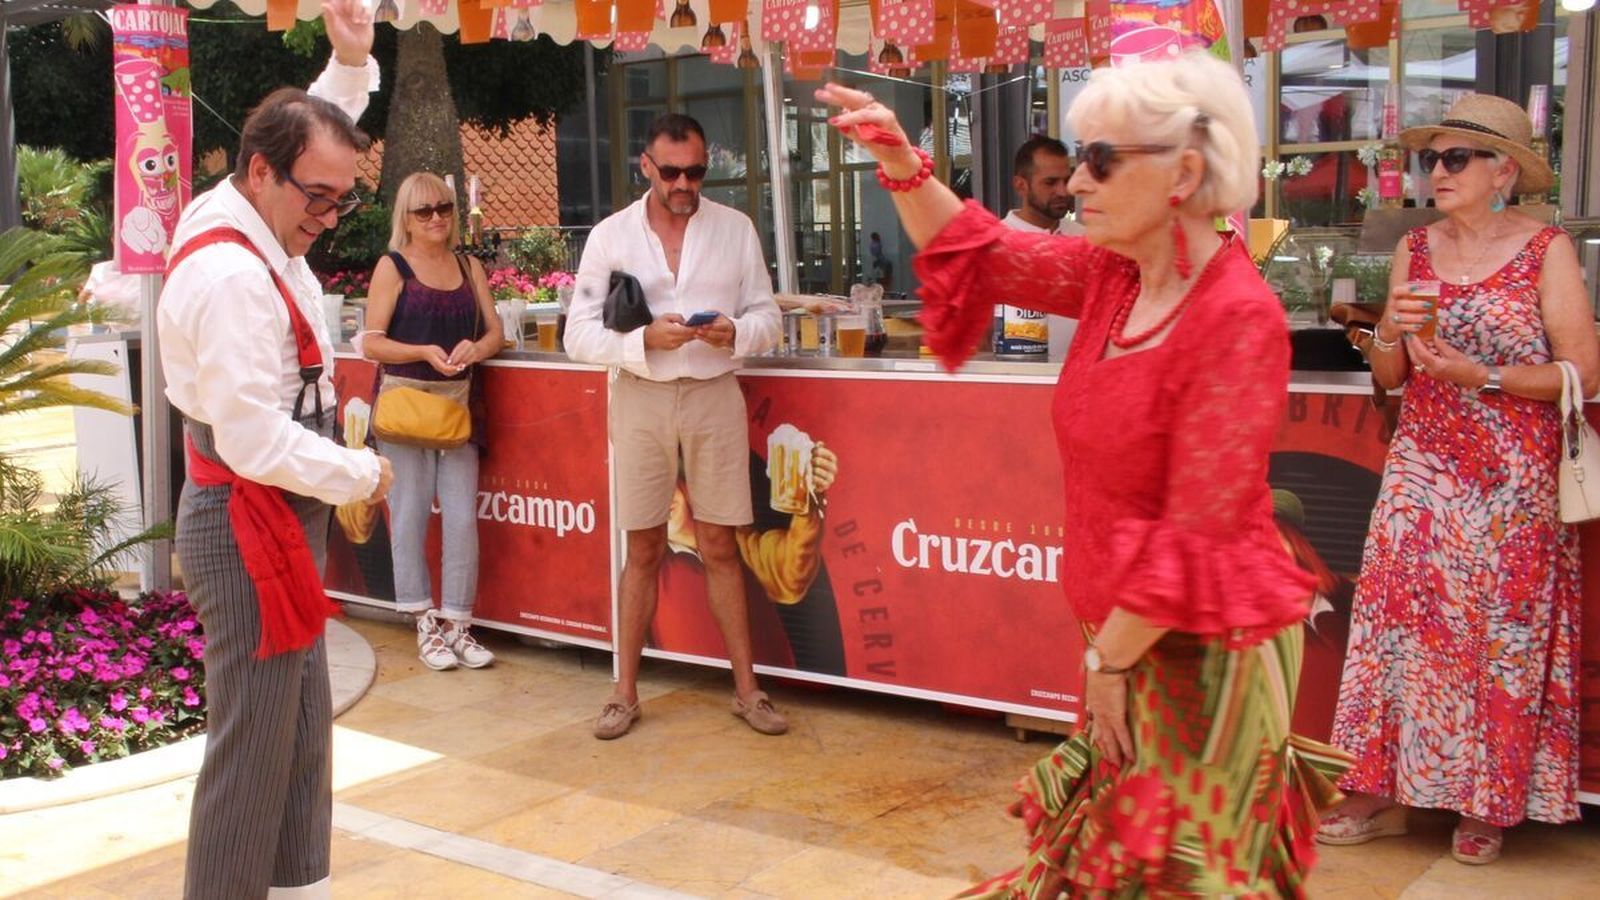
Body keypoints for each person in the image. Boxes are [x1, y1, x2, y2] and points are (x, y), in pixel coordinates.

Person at [818, 51, 1349, 896]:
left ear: (1182, 171)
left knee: (1173, 880)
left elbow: (1192, 535)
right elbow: (978, 250)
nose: (1075, 184)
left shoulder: (1235, 317)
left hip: (1202, 656)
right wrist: (898, 160)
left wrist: (1110, 665)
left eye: (1102, 161)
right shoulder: (1117, 273)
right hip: (1125, 636)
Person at [1320, 93, 1599, 865]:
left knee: (1499, 635)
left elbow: (1582, 368)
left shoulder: (1546, 249)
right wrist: (1387, 330)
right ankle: (1378, 785)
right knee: (1392, 623)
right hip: (1424, 460)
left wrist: (1488, 377)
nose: (1435, 173)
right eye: (1429, 159)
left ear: (1502, 169)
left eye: (1454, 159)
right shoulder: (1417, 245)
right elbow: (1392, 371)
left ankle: (1489, 802)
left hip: (1512, 468)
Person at [155, 2, 390, 896]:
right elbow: (254, 439)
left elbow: (319, 134)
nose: (330, 217)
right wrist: (359, 471)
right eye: (318, 199)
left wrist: (351, 64)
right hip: (246, 511)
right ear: (261, 173)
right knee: (253, 751)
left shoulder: (257, 204)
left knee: (300, 731)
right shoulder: (227, 276)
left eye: (343, 198)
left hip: (277, 515)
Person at [565, 112, 786, 740]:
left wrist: (736, 331)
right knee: (642, 547)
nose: (685, 183)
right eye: (672, 172)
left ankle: (748, 691)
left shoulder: (735, 228)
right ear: (646, 167)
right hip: (640, 393)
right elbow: (576, 335)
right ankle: (622, 693)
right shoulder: (609, 236)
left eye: (695, 171)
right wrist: (644, 341)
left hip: (715, 391)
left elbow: (768, 314)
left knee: (721, 546)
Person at [357, 172, 501, 671]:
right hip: (404, 407)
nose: (437, 217)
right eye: (424, 211)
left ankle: (458, 623)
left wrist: (477, 348)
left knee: (462, 519)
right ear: (407, 219)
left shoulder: (468, 265)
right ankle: (422, 620)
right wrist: (421, 349)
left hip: (457, 406)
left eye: (443, 207)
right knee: (411, 514)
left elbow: (495, 330)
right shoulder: (393, 267)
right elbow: (371, 340)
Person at [1003, 134, 1083, 236]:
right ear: (1021, 186)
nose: (1063, 192)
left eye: (1067, 181)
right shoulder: (996, 243)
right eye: (1050, 182)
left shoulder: (1083, 237)